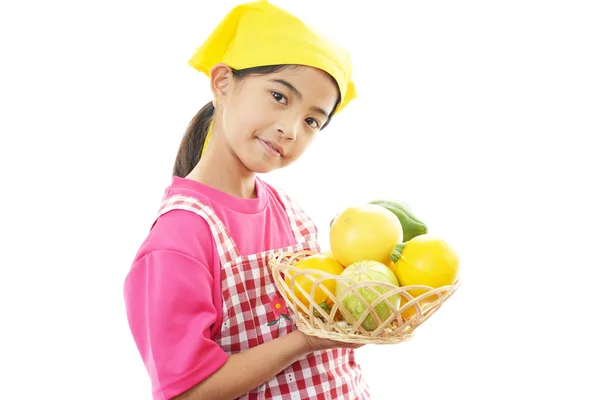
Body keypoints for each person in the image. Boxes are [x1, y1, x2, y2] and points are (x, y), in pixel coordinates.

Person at [123, 1, 370, 399]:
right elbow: (187, 392)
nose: (291, 129)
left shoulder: (292, 214)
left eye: (312, 120)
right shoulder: (182, 235)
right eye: (279, 96)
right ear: (223, 82)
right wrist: (305, 341)